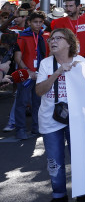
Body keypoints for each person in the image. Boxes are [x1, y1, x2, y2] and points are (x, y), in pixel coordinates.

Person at [34, 28, 85, 202]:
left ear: (69, 42)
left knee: (79, 157)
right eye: (51, 39)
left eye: (58, 38)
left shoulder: (80, 61)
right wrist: (57, 72)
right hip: (50, 118)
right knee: (54, 160)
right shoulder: (45, 63)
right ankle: (59, 196)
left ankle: (81, 194)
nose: (53, 41)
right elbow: (39, 91)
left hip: (76, 118)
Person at [13, 11, 47, 139]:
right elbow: (17, 57)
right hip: (26, 75)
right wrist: (28, 71)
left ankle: (36, 127)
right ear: (29, 22)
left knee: (38, 103)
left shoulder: (45, 36)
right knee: (22, 102)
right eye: (35, 22)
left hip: (40, 75)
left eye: (40, 22)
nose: (38, 25)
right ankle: (20, 129)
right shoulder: (22, 36)